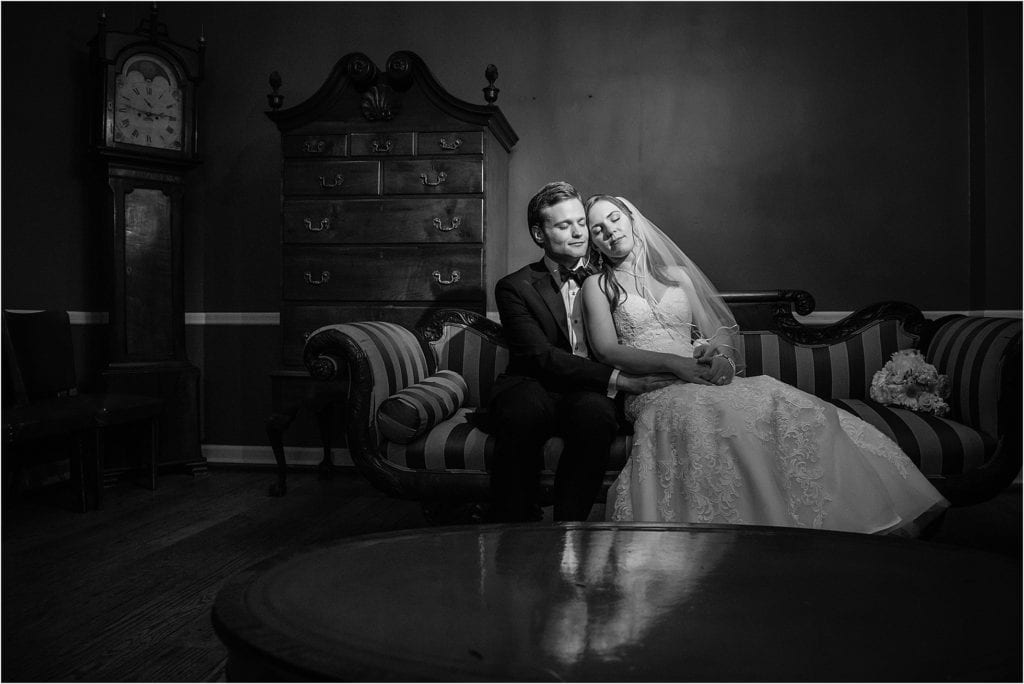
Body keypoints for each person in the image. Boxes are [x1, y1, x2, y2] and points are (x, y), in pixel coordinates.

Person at [581, 194, 949, 534]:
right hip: (654, 388)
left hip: (701, 379)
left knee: (781, 402)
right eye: (598, 228)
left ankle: (814, 524)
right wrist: (674, 365)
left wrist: (721, 357)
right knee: (706, 418)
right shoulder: (597, 285)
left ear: (631, 219)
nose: (609, 231)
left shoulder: (677, 275)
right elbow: (606, 350)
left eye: (614, 219)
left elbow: (719, 330)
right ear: (593, 241)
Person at [487, 182, 688, 523]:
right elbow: (539, 356)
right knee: (522, 413)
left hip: (589, 388)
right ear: (539, 234)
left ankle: (569, 528)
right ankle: (515, 527)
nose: (578, 232)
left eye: (581, 222)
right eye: (564, 225)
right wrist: (621, 381)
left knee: (595, 417)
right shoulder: (514, 286)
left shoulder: (608, 278)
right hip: (533, 381)